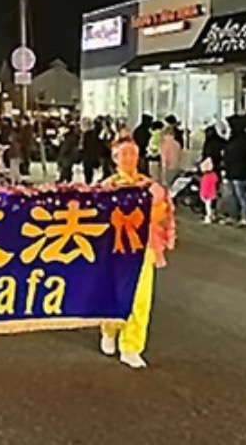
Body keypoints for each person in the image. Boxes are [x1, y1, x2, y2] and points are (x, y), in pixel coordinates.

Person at [100, 138, 175, 369]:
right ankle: (109, 331)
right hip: (116, 250)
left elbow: (162, 213)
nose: (129, 159)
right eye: (124, 155)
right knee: (114, 295)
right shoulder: (107, 187)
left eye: (132, 154)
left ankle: (132, 346)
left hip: (143, 250)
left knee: (140, 299)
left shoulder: (151, 188)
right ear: (115, 159)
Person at [222, 115, 246, 226]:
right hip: (236, 171)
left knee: (240, 197)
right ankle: (237, 216)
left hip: (238, 172)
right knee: (236, 196)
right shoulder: (244, 139)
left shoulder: (238, 140)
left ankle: (243, 217)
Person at [80, 118, 102, 184]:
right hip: (93, 157)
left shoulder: (86, 135)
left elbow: (83, 147)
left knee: (88, 176)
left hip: (88, 158)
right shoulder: (94, 134)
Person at [199, 157, 219, 223]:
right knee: (211, 206)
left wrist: (203, 194)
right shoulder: (213, 175)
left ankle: (208, 217)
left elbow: (204, 187)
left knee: (207, 207)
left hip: (207, 194)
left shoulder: (205, 177)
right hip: (213, 193)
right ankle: (212, 216)